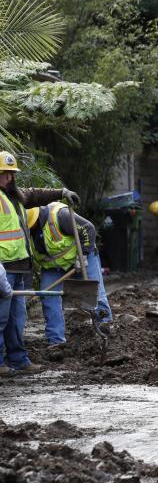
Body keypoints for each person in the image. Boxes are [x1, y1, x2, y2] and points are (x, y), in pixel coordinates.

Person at [0, 151, 81, 375]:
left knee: (17, 319)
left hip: (20, 267)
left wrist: (61, 192)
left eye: (11, 174)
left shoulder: (13, 196)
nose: (9, 178)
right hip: (2, 269)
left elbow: (35, 194)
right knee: (0, 318)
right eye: (5, 174)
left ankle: (18, 360)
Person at [27, 202, 112, 347]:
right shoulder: (28, 231)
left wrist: (83, 256)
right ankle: (56, 341)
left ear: (37, 220)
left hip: (81, 258)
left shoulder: (60, 216)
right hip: (53, 267)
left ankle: (106, 332)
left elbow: (88, 229)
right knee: (48, 296)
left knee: (95, 294)